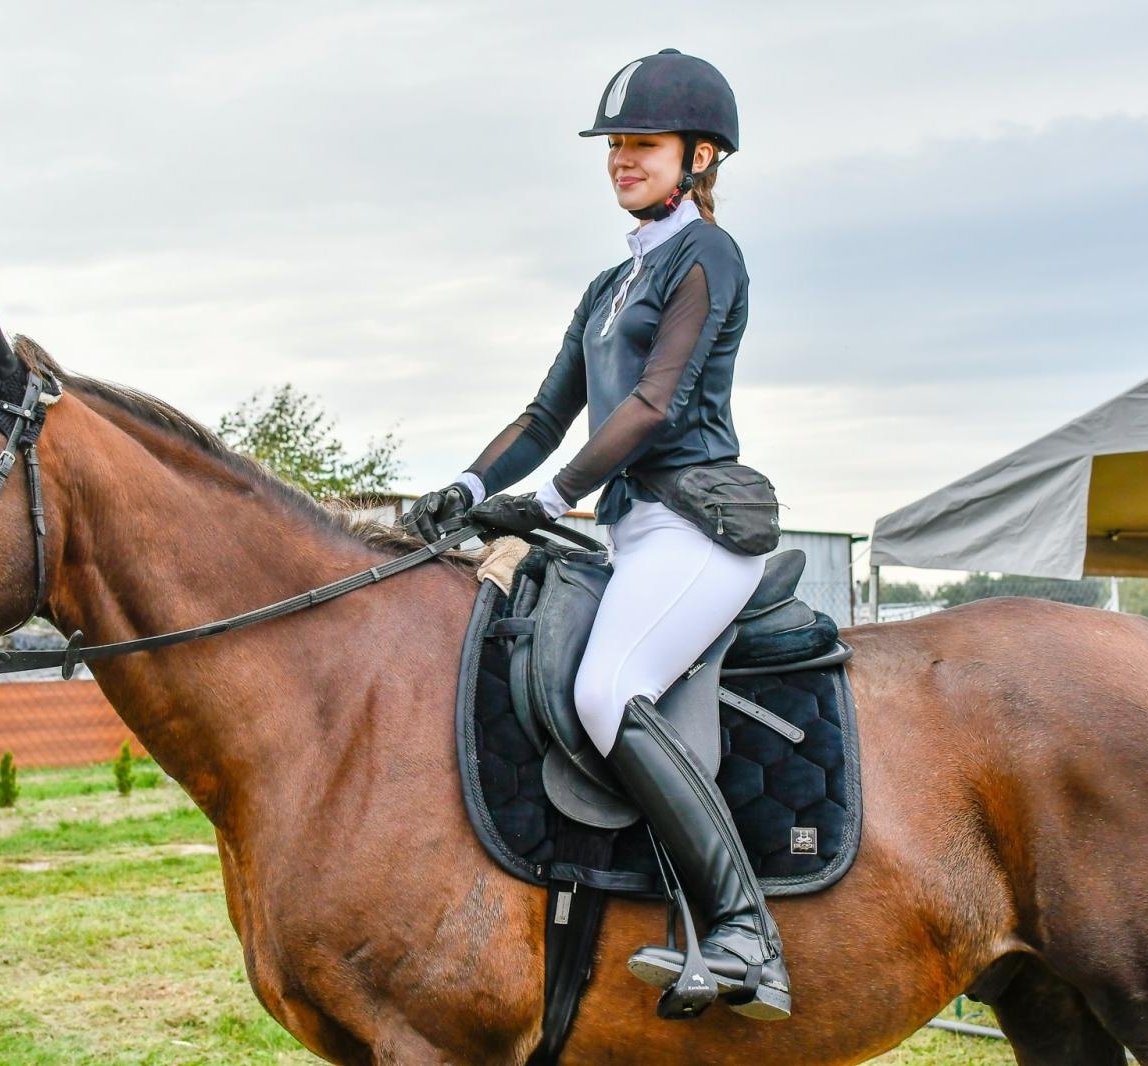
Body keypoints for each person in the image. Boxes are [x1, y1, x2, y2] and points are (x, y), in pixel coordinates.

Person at [404, 48, 789, 1021]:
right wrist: (464, 483)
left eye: (642, 145)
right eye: (614, 146)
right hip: (628, 527)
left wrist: (553, 496)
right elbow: (544, 414)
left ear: (699, 156)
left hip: (693, 522)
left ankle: (745, 932)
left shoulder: (709, 256)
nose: (622, 160)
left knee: (607, 685)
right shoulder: (606, 284)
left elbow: (655, 402)